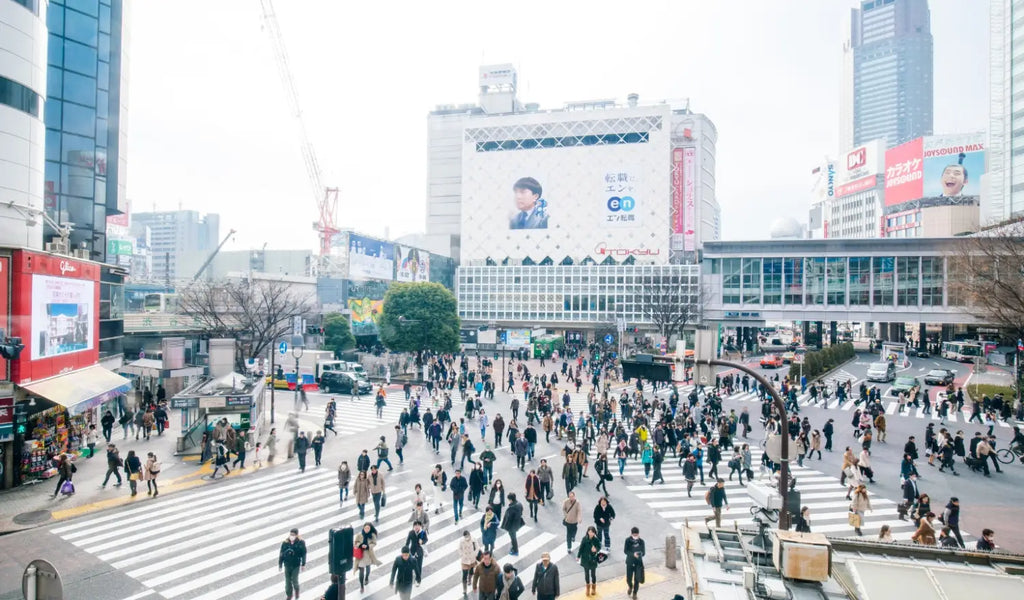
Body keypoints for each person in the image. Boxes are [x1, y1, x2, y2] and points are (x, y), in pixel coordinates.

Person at [278, 527, 306, 600]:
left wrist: (303, 564)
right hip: (287, 564)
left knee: (294, 580)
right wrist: (280, 564)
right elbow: (281, 554)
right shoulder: (285, 543)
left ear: (297, 535)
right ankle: (289, 595)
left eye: (293, 535)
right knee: (287, 582)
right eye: (291, 534)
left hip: (295, 565)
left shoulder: (300, 542)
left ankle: (297, 590)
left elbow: (304, 553)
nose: (291, 536)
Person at [353, 522, 381, 594]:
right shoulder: (359, 535)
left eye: (368, 528)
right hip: (361, 555)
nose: (366, 529)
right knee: (361, 570)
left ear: (370, 528)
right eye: (365, 528)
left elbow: (374, 543)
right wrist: (361, 545)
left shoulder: (372, 535)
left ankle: (366, 578)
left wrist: (368, 546)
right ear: (363, 528)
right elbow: (356, 543)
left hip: (368, 554)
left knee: (368, 568)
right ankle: (362, 586)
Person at [578, 526, 602, 596]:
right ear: (587, 532)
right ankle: (588, 588)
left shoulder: (596, 540)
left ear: (594, 533)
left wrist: (596, 549)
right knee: (586, 574)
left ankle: (593, 588)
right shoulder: (584, 539)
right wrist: (578, 556)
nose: (591, 533)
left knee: (593, 574)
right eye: (589, 532)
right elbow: (581, 548)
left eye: (592, 532)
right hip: (585, 559)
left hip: (593, 559)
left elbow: (599, 546)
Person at [623, 527, 646, 599]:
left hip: (638, 563)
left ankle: (635, 593)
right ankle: (630, 586)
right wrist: (633, 554)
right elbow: (625, 551)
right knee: (628, 579)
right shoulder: (627, 540)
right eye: (634, 535)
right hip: (630, 562)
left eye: (636, 535)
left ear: (638, 534)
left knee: (637, 579)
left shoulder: (641, 541)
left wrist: (639, 554)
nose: (635, 536)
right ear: (631, 534)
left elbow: (644, 552)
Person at [459, 531, 480, 596]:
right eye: (465, 536)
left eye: (467, 536)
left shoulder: (473, 540)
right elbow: (459, 549)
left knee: (471, 571)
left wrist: (474, 554)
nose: (466, 537)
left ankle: (470, 579)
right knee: (464, 575)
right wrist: (462, 555)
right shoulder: (461, 541)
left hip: (472, 559)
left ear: (469, 535)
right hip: (465, 560)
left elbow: (477, 548)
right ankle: (464, 589)